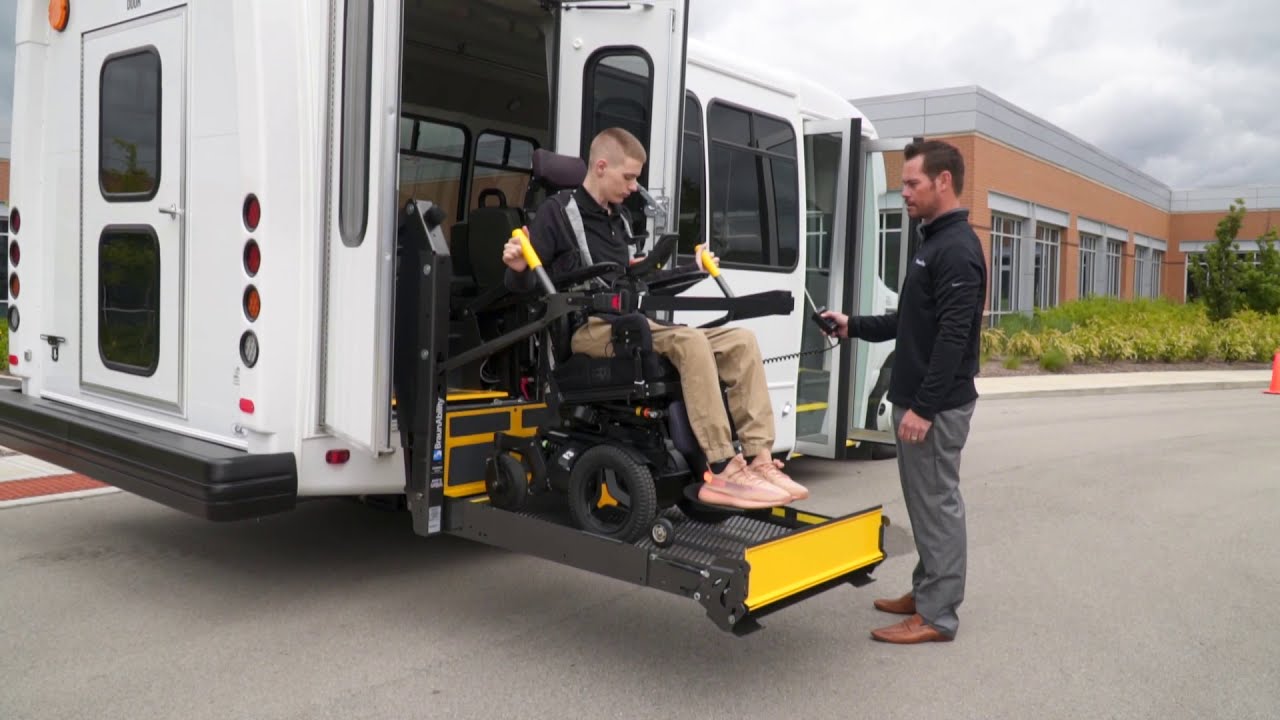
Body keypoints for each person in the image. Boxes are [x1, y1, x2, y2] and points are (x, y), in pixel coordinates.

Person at [501, 127, 806, 510]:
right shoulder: (557, 214)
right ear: (600, 167)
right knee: (689, 341)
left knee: (740, 339)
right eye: (628, 177)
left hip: (630, 324)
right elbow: (523, 285)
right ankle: (724, 467)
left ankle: (760, 460)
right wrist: (516, 268)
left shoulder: (619, 221)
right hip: (588, 329)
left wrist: (690, 270)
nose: (634, 187)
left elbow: (634, 278)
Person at [820, 139, 986, 644]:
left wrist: (924, 407)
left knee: (937, 504)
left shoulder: (956, 249)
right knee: (924, 503)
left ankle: (937, 616)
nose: (904, 193)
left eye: (912, 183)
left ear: (943, 182)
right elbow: (910, 321)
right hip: (919, 400)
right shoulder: (932, 240)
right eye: (902, 184)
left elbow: (953, 340)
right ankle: (927, 591)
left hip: (934, 406)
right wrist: (853, 326)